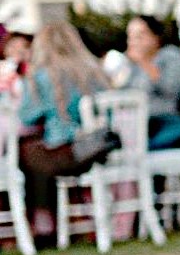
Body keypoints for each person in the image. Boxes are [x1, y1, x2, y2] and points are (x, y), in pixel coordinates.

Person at [15, 17, 112, 214]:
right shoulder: (96, 71)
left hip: (71, 152)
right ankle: (67, 215)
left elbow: (26, 116)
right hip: (101, 147)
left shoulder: (40, 76)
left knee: (27, 153)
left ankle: (42, 216)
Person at [121, 14, 180, 150]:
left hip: (169, 123)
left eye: (140, 36)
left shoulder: (171, 55)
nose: (134, 42)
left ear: (155, 36)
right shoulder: (133, 67)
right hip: (139, 126)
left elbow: (173, 89)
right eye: (131, 37)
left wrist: (144, 62)